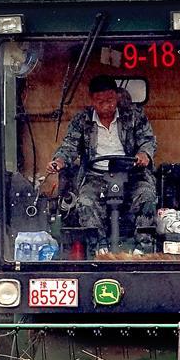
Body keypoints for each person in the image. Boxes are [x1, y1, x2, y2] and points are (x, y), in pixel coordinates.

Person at [46, 75, 158, 255]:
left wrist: (144, 154)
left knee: (146, 196)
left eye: (110, 100)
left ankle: (142, 249)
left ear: (117, 97)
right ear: (92, 100)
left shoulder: (134, 115)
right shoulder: (82, 120)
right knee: (85, 202)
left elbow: (148, 140)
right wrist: (59, 161)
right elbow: (69, 147)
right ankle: (99, 249)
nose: (106, 105)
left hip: (132, 173)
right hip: (96, 175)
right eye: (100, 101)